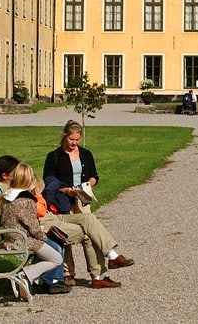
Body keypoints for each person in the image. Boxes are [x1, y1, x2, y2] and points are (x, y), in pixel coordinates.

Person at [44, 121, 133, 289]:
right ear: (65, 136)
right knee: (65, 236)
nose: (74, 143)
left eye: (77, 140)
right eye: (71, 139)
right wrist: (67, 190)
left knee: (91, 235)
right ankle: (68, 274)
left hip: (82, 197)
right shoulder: (54, 156)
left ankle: (98, 274)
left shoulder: (85, 154)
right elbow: (49, 181)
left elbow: (94, 176)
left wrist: (88, 184)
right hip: (63, 199)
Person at [0, 162, 70, 297]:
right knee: (57, 258)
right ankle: (25, 275)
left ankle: (31, 280)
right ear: (28, 180)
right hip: (24, 240)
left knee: (53, 250)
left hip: (10, 238)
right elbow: (33, 228)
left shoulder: (6, 196)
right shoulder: (25, 199)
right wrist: (44, 236)